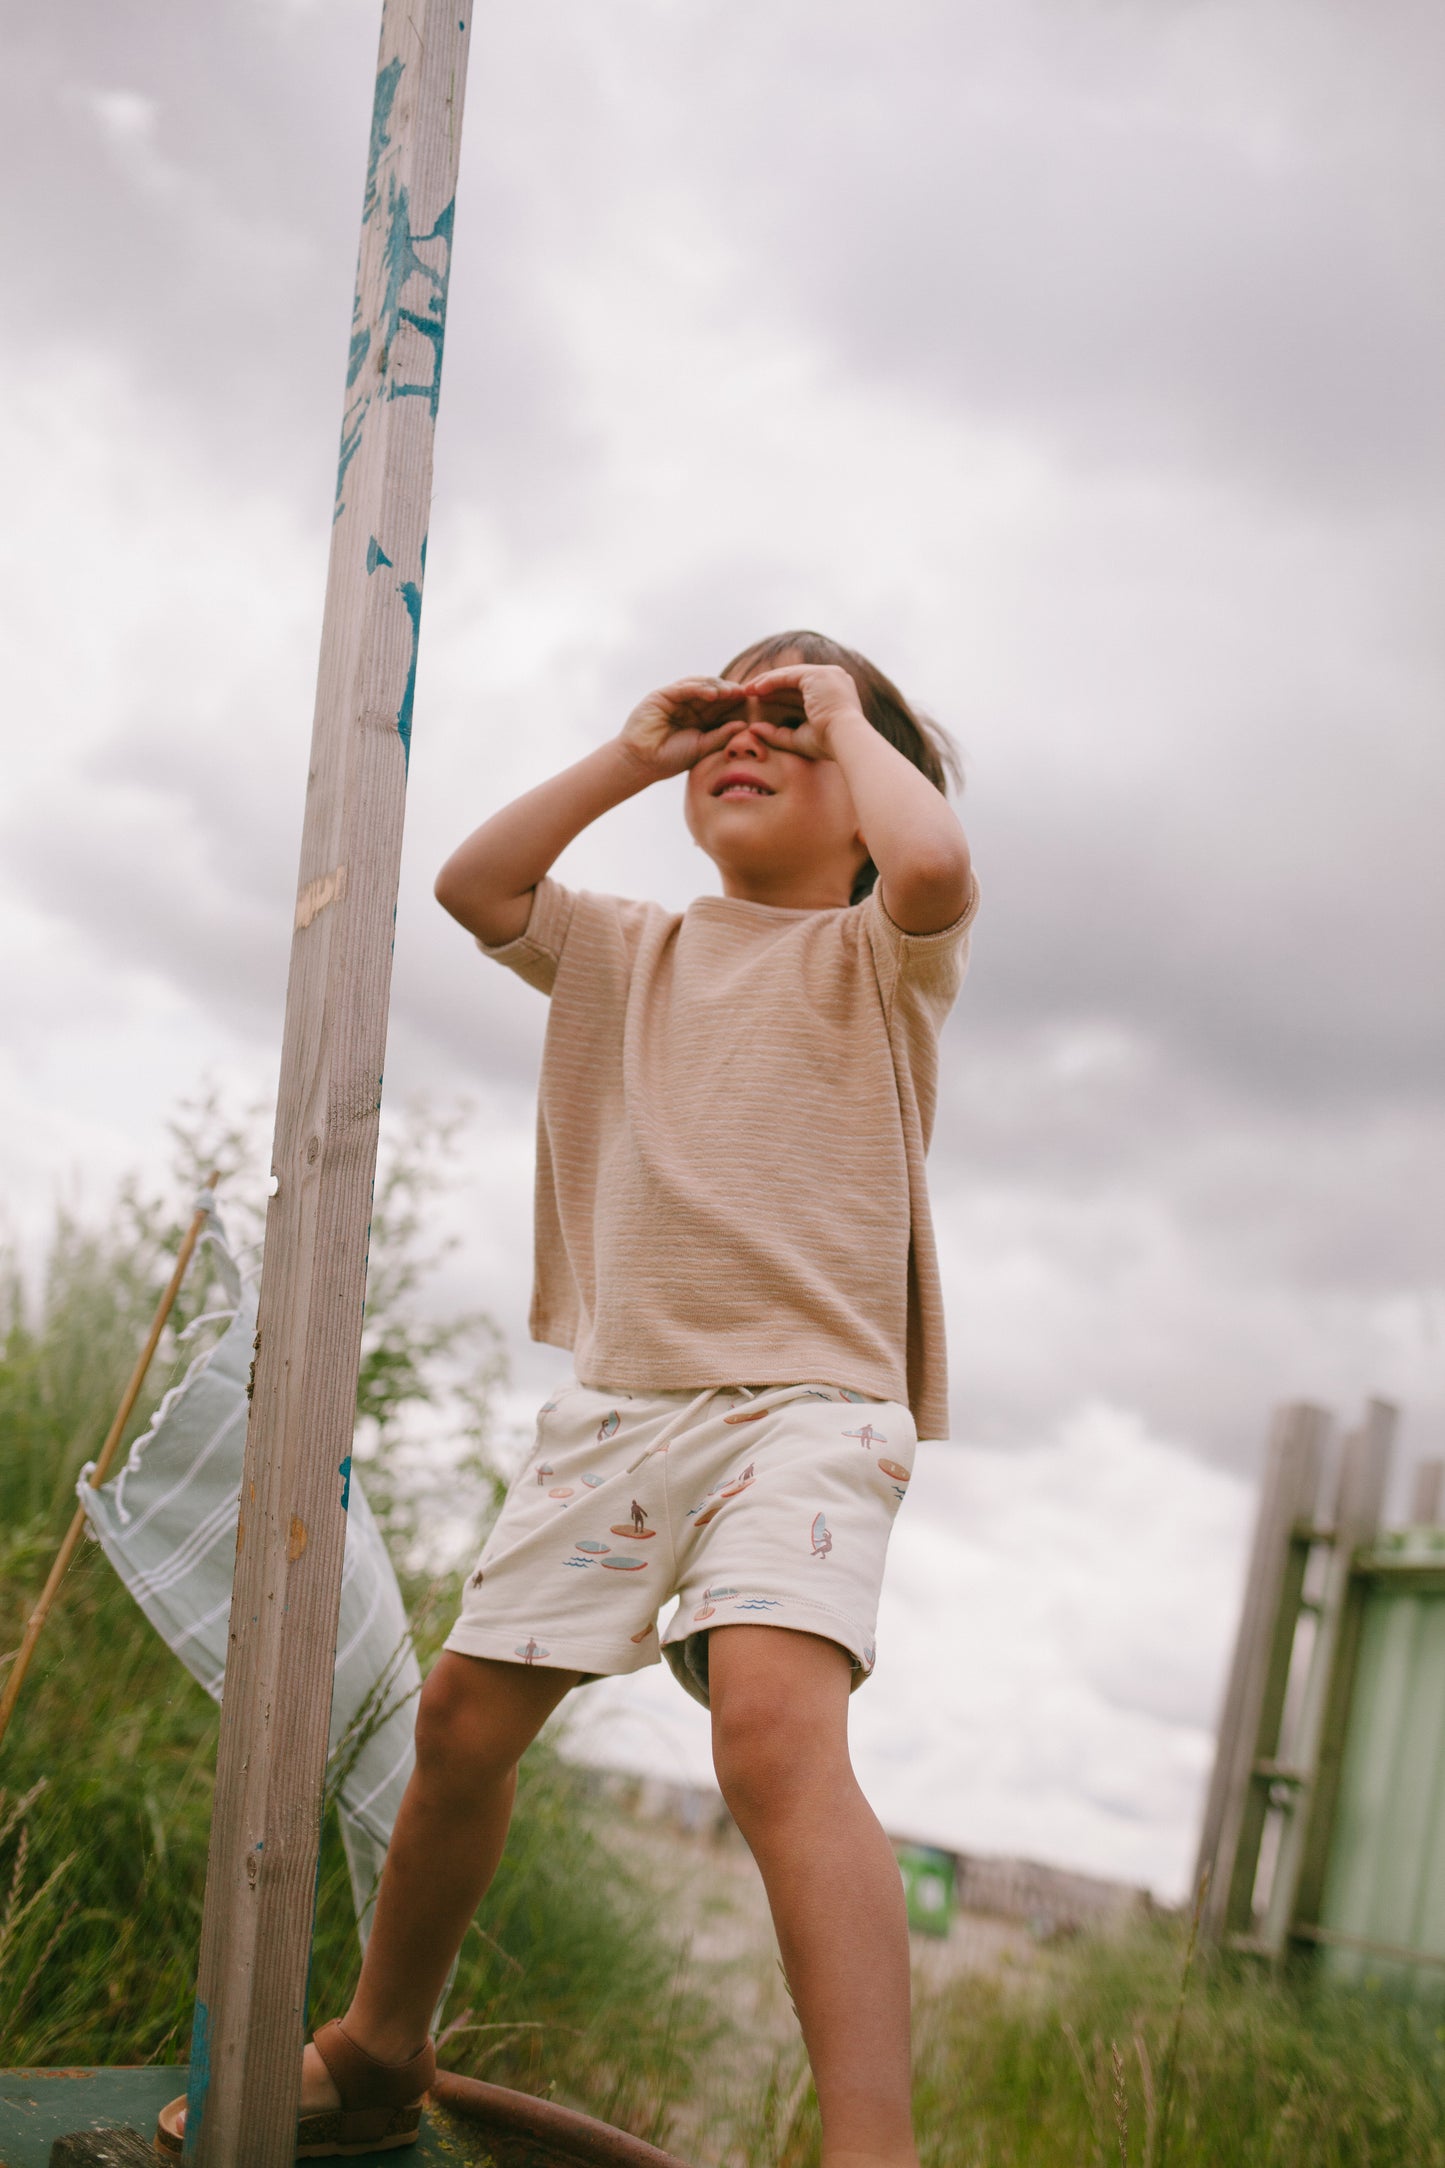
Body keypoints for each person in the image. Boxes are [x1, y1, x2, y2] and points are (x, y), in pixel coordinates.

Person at [162, 630, 976, 2165]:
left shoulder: (880, 956)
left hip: (806, 1408)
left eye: (794, 729)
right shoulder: (628, 946)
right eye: (729, 717)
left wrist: (841, 711)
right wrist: (635, 753)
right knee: (464, 1721)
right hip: (621, 1412)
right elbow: (480, 887)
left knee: (770, 1733)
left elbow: (930, 860)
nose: (752, 736)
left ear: (867, 795)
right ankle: (382, 2043)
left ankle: (874, 2148)